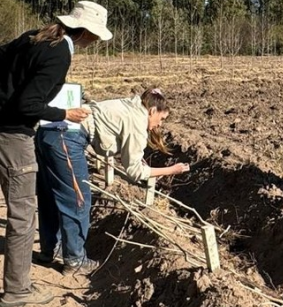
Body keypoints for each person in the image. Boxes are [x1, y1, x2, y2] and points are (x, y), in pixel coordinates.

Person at [0, 1, 112, 306]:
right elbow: (27, 105)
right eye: (95, 38)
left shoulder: (33, 36)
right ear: (88, 33)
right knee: (22, 218)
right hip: (13, 135)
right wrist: (65, 114)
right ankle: (17, 292)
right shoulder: (59, 52)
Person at [35, 88, 190, 277]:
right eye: (162, 119)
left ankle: (50, 249)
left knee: (51, 195)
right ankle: (75, 260)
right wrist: (171, 170)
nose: (160, 124)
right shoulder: (137, 121)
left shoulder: (129, 104)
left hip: (47, 132)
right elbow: (135, 171)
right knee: (78, 201)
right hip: (66, 139)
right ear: (152, 111)